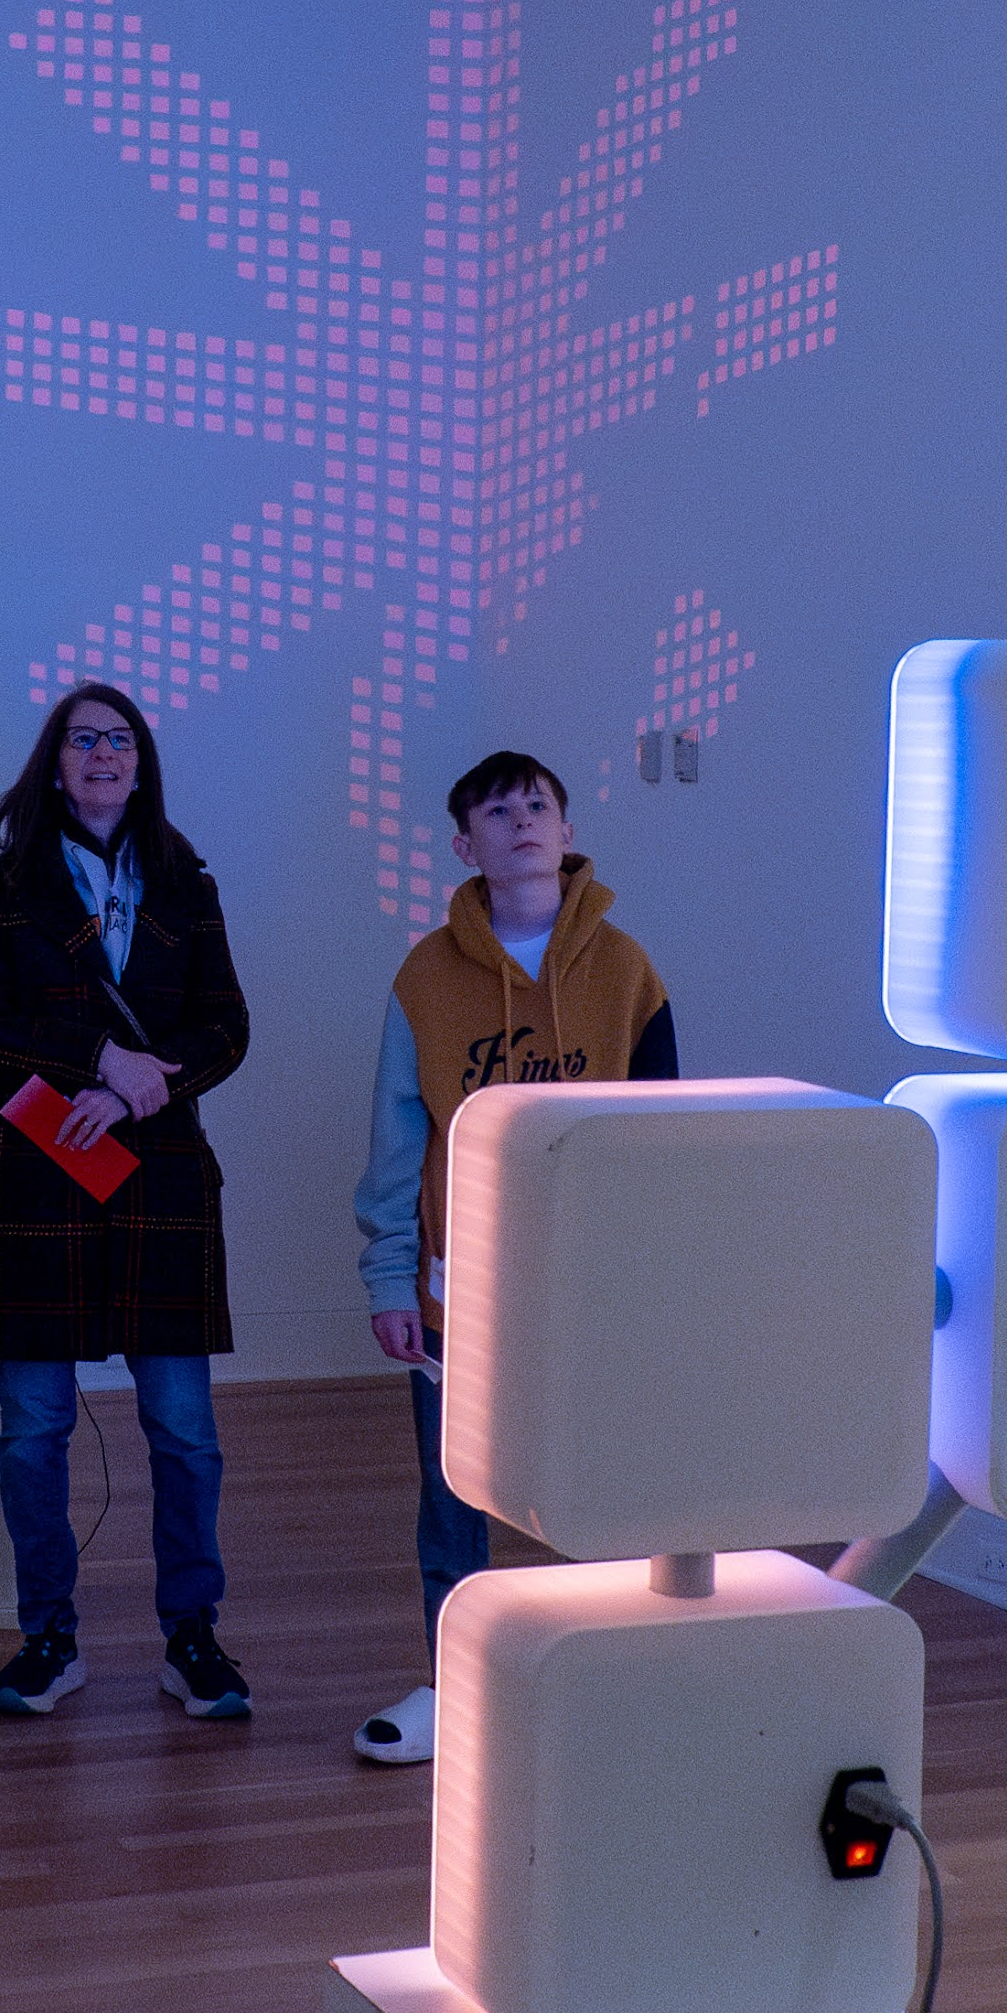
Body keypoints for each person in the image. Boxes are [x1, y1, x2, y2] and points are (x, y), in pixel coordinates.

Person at [344, 751, 678, 1764]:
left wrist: (647, 1275)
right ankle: (457, 1685)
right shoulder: (424, 978)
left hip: (589, 1293)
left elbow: (663, 1137)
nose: (521, 819)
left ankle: (615, 1677)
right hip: (462, 1298)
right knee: (453, 1500)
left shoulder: (626, 971)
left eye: (539, 803)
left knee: (601, 1489)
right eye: (498, 809)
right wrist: (385, 1273)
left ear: (568, 830)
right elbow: (398, 1141)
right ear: (465, 845)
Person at [0, 681, 257, 1722]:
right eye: (82, 740)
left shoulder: (185, 881)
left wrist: (144, 1084)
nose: (102, 754)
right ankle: (48, 1634)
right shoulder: (3, 885)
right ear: (53, 762)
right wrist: (99, 1056)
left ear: (141, 760)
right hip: (37, 1172)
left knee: (184, 1430)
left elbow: (227, 1028)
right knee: (31, 1427)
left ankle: (192, 1634)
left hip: (155, 1167)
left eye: (118, 739)